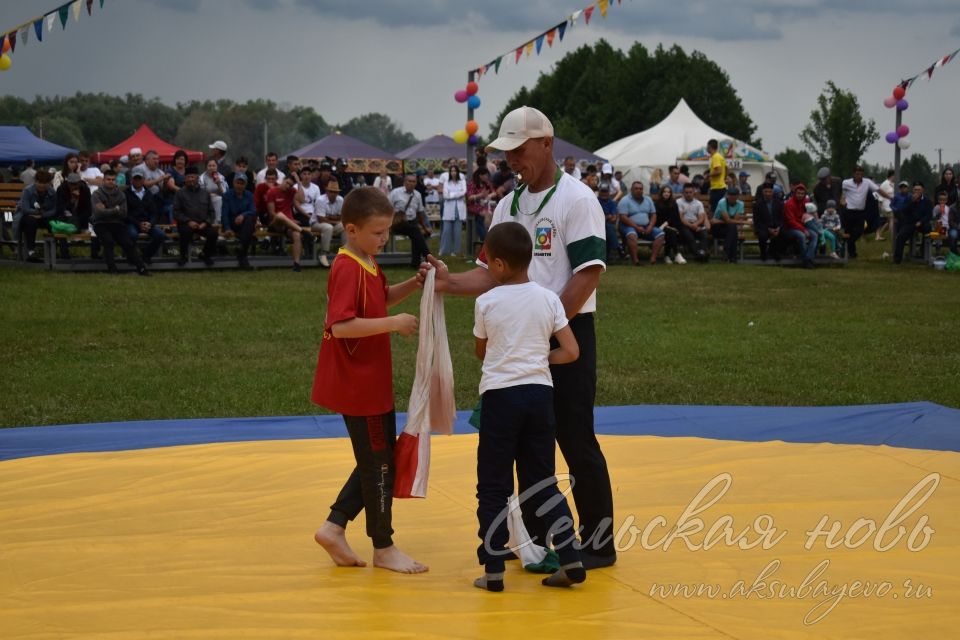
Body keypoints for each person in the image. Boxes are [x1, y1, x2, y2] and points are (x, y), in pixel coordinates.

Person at [419, 106, 616, 570]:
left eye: (518, 149)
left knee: (573, 437)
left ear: (547, 143)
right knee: (527, 444)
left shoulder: (578, 199)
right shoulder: (506, 205)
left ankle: (599, 542)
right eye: (505, 150)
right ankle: (539, 543)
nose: (510, 159)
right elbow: (491, 275)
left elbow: (588, 277)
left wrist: (546, 332)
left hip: (564, 338)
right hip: (522, 346)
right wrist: (446, 282)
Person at [310, 186, 427, 575]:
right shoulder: (346, 267)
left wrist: (413, 285)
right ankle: (383, 545)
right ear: (352, 229)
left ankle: (333, 527)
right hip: (361, 386)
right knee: (379, 466)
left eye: (387, 232)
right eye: (377, 233)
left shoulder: (367, 262)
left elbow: (378, 300)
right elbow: (341, 326)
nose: (384, 239)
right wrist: (393, 325)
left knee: (377, 460)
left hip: (370, 381)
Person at [471, 221, 585, 592]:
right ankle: (570, 555)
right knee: (543, 482)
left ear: (500, 264)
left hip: (501, 397)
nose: (485, 267)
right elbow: (571, 351)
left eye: (487, 261)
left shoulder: (486, 301)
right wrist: (539, 357)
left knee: (493, 485)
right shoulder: (549, 298)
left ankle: (493, 570)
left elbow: (481, 351)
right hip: (539, 395)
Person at [92, 170, 149, 276]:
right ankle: (112, 270)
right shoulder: (97, 194)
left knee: (128, 243)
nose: (111, 182)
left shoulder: (121, 195)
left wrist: (107, 210)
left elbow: (124, 213)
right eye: (108, 179)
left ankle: (142, 269)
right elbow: (98, 213)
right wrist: (115, 210)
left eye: (113, 180)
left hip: (117, 223)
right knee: (108, 242)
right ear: (104, 180)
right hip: (100, 224)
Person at [173, 165, 218, 267]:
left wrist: (205, 223)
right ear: (185, 179)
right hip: (186, 223)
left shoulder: (205, 193)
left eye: (193, 177)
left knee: (213, 234)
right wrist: (188, 221)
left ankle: (205, 255)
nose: (190, 179)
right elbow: (176, 212)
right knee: (185, 232)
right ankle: (183, 256)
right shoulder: (180, 193)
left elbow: (211, 212)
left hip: (202, 224)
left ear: (197, 178)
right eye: (188, 177)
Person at [841, 165, 890, 258]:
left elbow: (879, 190)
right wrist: (842, 199)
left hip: (860, 212)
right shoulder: (846, 183)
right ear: (853, 174)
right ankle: (852, 253)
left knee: (859, 230)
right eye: (857, 174)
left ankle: (845, 245)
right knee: (848, 231)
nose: (859, 176)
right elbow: (842, 193)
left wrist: (890, 197)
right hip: (849, 211)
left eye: (860, 174)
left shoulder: (867, 182)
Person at [265, 173, 307, 271]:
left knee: (296, 235)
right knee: (280, 215)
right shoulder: (272, 191)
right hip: (276, 223)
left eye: (291, 185)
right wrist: (288, 221)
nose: (288, 186)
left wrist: (299, 183)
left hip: (289, 223)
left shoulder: (291, 191)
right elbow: (272, 213)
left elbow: (302, 199)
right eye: (287, 183)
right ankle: (304, 232)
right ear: (283, 180)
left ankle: (296, 264)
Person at [389, 174, 432, 269]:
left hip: (412, 222)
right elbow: (386, 208)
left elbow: (420, 213)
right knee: (415, 231)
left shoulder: (417, 194)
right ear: (404, 182)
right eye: (409, 181)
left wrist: (425, 228)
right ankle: (428, 257)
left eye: (414, 182)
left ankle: (415, 263)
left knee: (416, 232)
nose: (412, 183)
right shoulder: (395, 193)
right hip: (397, 223)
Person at [14, 169, 57, 263]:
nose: (42, 185)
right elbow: (25, 208)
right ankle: (31, 252)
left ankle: (54, 250)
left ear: (49, 183)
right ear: (35, 181)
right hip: (28, 216)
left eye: (45, 183)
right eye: (39, 182)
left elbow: (54, 210)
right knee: (30, 222)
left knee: (54, 222)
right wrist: (36, 213)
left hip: (44, 216)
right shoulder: (27, 190)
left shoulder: (52, 192)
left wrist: (42, 215)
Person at [125, 167, 166, 264]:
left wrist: (150, 223)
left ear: (144, 179)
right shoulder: (125, 193)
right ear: (131, 179)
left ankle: (146, 256)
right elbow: (125, 214)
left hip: (147, 223)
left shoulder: (149, 193)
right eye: (136, 178)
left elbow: (154, 212)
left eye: (140, 178)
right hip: (132, 222)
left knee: (160, 235)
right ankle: (132, 258)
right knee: (132, 235)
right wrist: (139, 223)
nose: (138, 180)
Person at [618, 181, 663, 266]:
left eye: (640, 189)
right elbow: (623, 217)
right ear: (631, 189)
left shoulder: (648, 199)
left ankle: (653, 259)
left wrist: (650, 226)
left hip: (646, 226)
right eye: (636, 188)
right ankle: (636, 261)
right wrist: (636, 227)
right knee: (631, 235)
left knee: (661, 234)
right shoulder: (625, 200)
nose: (638, 190)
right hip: (628, 225)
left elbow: (653, 214)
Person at [221, 172, 257, 270]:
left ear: (245, 185)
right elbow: (225, 214)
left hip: (245, 224)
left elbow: (253, 211)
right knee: (249, 227)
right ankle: (243, 255)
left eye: (242, 183)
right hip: (232, 223)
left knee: (249, 220)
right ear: (233, 183)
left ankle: (242, 253)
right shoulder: (227, 195)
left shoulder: (249, 195)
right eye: (237, 183)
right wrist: (227, 228)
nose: (239, 186)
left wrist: (242, 215)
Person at [54, 172, 93, 260]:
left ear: (79, 183)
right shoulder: (61, 189)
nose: (73, 186)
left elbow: (88, 208)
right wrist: (72, 201)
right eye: (71, 184)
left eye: (76, 184)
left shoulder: (85, 189)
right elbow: (60, 208)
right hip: (65, 216)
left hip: (81, 216)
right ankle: (65, 254)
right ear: (68, 183)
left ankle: (95, 255)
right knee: (61, 224)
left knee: (93, 222)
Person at [893, 181, 933, 264]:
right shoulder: (908, 199)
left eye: (919, 189)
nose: (917, 192)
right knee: (901, 236)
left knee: (929, 230)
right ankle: (897, 259)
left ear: (922, 190)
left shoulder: (927, 201)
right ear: (913, 190)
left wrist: (921, 221)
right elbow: (903, 211)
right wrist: (912, 202)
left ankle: (923, 253)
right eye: (915, 190)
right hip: (910, 223)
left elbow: (929, 215)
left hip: (922, 223)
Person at [783, 183, 819, 269]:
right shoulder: (789, 203)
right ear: (795, 193)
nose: (800, 195)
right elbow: (790, 221)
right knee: (802, 236)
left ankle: (808, 258)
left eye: (802, 193)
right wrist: (803, 230)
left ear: (804, 194)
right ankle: (806, 261)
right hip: (790, 228)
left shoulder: (806, 203)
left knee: (815, 235)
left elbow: (812, 213)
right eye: (798, 193)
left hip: (802, 226)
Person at [311, 180, 345, 268]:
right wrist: (334, 218)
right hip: (316, 224)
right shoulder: (321, 200)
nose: (333, 194)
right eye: (331, 192)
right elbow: (321, 219)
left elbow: (341, 217)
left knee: (345, 225)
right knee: (328, 228)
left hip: (331, 225)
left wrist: (330, 218)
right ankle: (323, 253)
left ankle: (346, 255)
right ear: (327, 192)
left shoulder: (341, 200)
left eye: (335, 192)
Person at [712, 188, 750, 263]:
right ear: (727, 196)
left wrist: (720, 221)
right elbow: (729, 220)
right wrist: (744, 222)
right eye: (730, 196)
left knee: (732, 228)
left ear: (737, 197)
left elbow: (731, 221)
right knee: (733, 229)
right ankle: (733, 257)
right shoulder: (722, 202)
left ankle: (726, 254)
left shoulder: (740, 204)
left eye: (734, 197)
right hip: (717, 228)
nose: (731, 199)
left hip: (726, 226)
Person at [752, 182, 786, 262]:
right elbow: (757, 221)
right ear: (762, 192)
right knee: (762, 235)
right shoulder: (757, 204)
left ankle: (775, 252)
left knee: (784, 233)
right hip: (763, 227)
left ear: (773, 192)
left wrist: (778, 227)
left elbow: (781, 218)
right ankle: (763, 254)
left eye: (769, 192)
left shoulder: (778, 203)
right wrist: (768, 229)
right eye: (766, 192)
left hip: (775, 226)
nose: (768, 194)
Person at [677, 183, 709, 261]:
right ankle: (699, 254)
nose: (688, 194)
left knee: (704, 233)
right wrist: (691, 226)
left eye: (690, 192)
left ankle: (701, 253)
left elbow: (702, 217)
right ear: (683, 193)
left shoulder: (699, 203)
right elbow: (681, 218)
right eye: (686, 192)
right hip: (684, 225)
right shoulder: (678, 202)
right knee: (689, 236)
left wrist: (696, 225)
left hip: (696, 224)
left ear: (694, 192)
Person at [440, 164, 466, 256]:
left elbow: (464, 192)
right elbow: (445, 196)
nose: (453, 173)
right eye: (451, 171)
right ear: (449, 172)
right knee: (446, 231)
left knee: (457, 231)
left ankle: (455, 251)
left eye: (455, 171)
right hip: (448, 209)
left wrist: (452, 194)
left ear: (458, 172)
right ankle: (444, 250)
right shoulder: (446, 182)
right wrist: (457, 194)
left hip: (459, 209)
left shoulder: (462, 181)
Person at [656, 185, 685, 264]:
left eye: (668, 192)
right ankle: (676, 254)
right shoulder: (657, 204)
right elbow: (658, 219)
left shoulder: (674, 204)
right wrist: (667, 226)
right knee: (671, 232)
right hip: (660, 226)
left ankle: (667, 255)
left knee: (673, 232)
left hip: (672, 225)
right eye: (665, 192)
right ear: (661, 193)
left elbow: (674, 217)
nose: (666, 194)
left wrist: (672, 227)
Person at [467, 166, 496, 243]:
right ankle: (487, 238)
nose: (487, 177)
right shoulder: (472, 184)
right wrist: (480, 195)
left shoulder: (487, 183)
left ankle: (489, 234)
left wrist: (489, 196)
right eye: (486, 175)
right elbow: (469, 198)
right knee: (486, 214)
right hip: (474, 205)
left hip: (485, 205)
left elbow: (494, 192)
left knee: (492, 213)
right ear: (480, 176)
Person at [596, 184, 621, 262]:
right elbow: (595, 218)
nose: (604, 194)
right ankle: (617, 249)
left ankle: (608, 255)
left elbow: (614, 219)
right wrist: (607, 217)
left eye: (605, 191)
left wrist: (604, 217)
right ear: (599, 192)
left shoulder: (612, 202)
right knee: (608, 228)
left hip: (606, 226)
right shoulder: (595, 200)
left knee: (608, 228)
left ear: (609, 192)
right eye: (602, 191)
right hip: (596, 226)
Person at [707, 139, 727, 216]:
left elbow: (718, 171)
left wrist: (708, 175)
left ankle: (714, 227)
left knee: (714, 210)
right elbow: (726, 169)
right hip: (721, 187)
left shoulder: (715, 157)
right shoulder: (720, 156)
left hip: (717, 188)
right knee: (719, 209)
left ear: (709, 147)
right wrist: (724, 179)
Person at [875, 170, 896, 241]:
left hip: (892, 206)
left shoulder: (893, 184)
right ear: (892, 175)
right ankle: (893, 238)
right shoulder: (885, 184)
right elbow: (879, 195)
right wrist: (880, 207)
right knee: (892, 220)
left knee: (888, 221)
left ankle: (879, 235)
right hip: (886, 206)